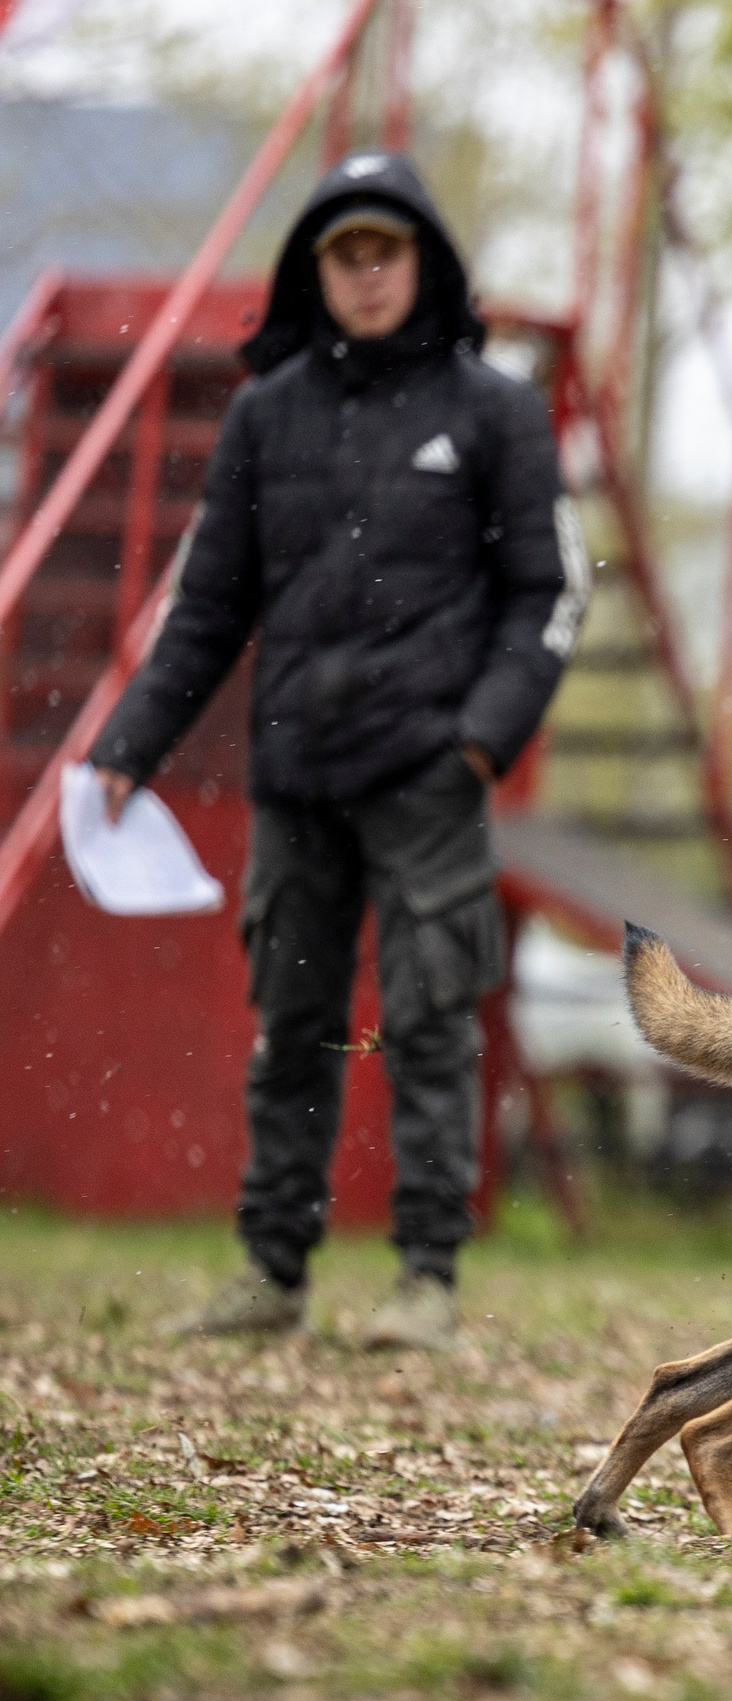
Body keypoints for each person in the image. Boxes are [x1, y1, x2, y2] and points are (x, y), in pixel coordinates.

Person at [91, 152, 588, 1352]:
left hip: (429, 775)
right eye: (344, 253)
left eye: (387, 249)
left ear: (425, 262)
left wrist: (479, 742)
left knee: (429, 1019)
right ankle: (272, 1272)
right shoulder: (267, 414)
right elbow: (206, 606)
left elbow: (550, 596)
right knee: (295, 1020)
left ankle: (426, 1280)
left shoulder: (497, 412)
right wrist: (128, 745)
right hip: (296, 773)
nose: (367, 274)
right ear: (317, 271)